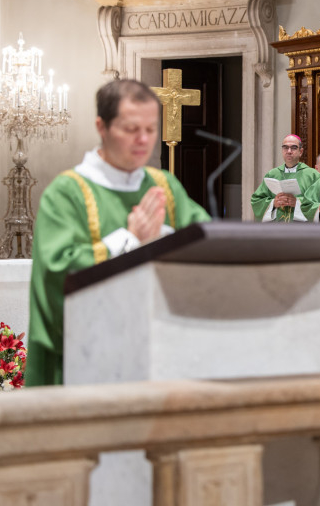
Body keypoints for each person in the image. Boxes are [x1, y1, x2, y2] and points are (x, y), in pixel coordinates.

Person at [26, 79, 211, 386]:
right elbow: (56, 272)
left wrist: (163, 240)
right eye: (131, 129)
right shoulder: (67, 192)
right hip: (88, 357)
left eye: (151, 129)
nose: (143, 139)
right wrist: (130, 239)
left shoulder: (164, 186)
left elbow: (207, 246)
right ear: (102, 127)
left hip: (161, 351)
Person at [250, 134, 320, 222]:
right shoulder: (272, 174)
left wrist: (297, 202)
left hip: (302, 228)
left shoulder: (312, 175)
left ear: (301, 151)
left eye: (294, 148)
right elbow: (256, 201)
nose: (289, 151)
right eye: (285, 147)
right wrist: (274, 203)